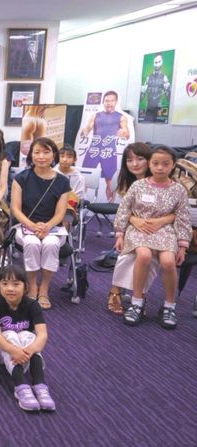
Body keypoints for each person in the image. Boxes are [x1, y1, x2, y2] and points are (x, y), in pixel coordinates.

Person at [115, 145, 191, 329]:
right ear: (149, 164)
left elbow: (183, 217)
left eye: (165, 164)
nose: (160, 168)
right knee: (144, 255)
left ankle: (169, 306)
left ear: (173, 165)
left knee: (168, 262)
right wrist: (119, 234)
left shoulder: (178, 190)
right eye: (155, 163)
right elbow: (124, 209)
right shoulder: (138, 185)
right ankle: (136, 303)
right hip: (139, 229)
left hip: (165, 231)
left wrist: (182, 245)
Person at [11, 137, 71, 310]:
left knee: (51, 244)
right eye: (37, 152)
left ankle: (44, 289)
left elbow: (60, 213)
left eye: (46, 152)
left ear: (54, 155)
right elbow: (15, 209)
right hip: (25, 226)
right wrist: (32, 226)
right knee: (32, 243)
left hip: (53, 228)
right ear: (31, 155)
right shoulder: (21, 178)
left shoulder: (62, 181)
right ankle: (32, 286)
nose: (41, 156)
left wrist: (47, 226)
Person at [106, 143, 167, 315]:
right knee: (127, 254)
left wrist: (159, 221)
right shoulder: (125, 180)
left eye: (140, 159)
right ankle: (115, 290)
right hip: (131, 226)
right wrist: (134, 220)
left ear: (149, 160)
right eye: (129, 160)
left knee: (150, 258)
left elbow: (176, 211)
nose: (134, 164)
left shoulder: (160, 179)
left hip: (158, 229)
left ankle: (139, 295)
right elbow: (123, 209)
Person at [0, 265, 54, 412]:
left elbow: (42, 335)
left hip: (24, 351)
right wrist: (14, 351)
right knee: (10, 334)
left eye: (16, 284)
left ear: (26, 287)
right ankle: (20, 386)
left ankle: (40, 385)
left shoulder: (32, 305)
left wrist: (29, 350)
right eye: (5, 284)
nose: (10, 288)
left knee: (28, 336)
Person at [79, 91, 129, 201]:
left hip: (109, 151)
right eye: (107, 101)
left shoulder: (121, 117)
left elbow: (126, 133)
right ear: (103, 102)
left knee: (110, 181)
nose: (109, 103)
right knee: (84, 178)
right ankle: (79, 205)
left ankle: (110, 206)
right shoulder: (96, 115)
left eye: (112, 101)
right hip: (94, 150)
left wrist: (123, 133)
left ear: (116, 102)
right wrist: (84, 132)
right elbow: (87, 129)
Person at [140, 53, 171, 122]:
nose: (157, 65)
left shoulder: (164, 78)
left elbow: (169, 100)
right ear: (153, 63)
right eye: (155, 62)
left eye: (159, 62)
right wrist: (142, 92)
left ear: (162, 62)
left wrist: (168, 91)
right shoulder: (148, 78)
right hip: (148, 110)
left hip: (159, 110)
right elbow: (141, 99)